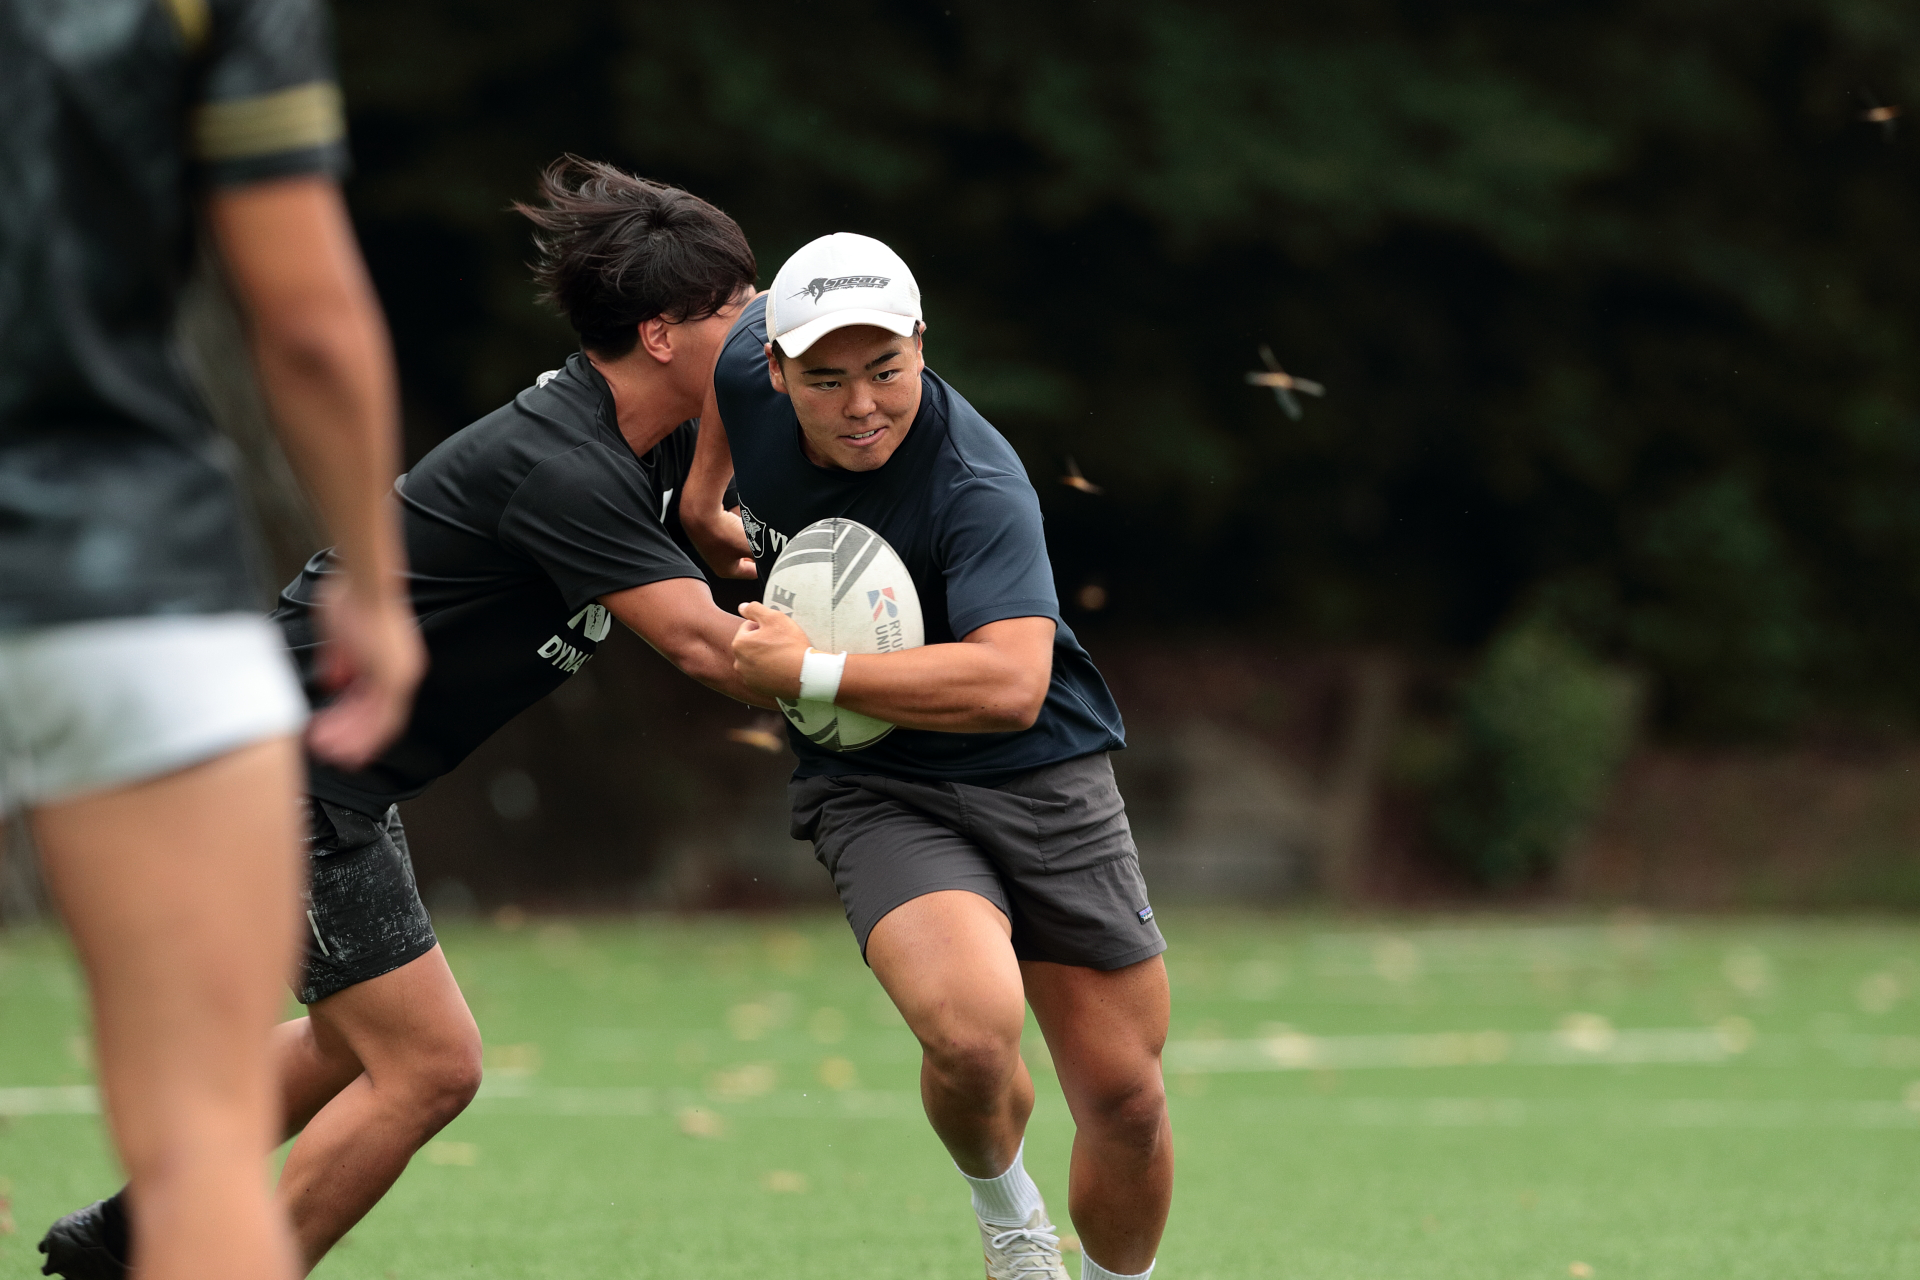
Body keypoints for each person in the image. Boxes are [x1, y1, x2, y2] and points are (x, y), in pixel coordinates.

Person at [38, 159, 772, 1278]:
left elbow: (722, 426)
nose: (764, 325)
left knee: (352, 1043)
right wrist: (896, 686)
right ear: (660, 336)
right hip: (282, 770)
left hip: (327, 770)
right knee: (430, 1065)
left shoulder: (651, 430)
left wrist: (708, 498)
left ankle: (128, 1236)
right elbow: (702, 647)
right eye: (738, 306)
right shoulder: (567, 469)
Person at [3, 2, 424, 1280]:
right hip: (129, 579)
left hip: (125, 588)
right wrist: (374, 579)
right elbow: (305, 320)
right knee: (199, 1146)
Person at [682, 234, 1173, 1280]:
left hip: (1042, 773)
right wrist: (702, 493)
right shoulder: (746, 366)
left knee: (1125, 1098)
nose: (862, 404)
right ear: (777, 368)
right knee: (973, 1035)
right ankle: (1012, 1224)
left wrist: (809, 671)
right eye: (827, 379)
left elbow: (1012, 683)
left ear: (920, 342)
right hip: (880, 785)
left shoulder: (976, 482)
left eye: (886, 369)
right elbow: (720, 363)